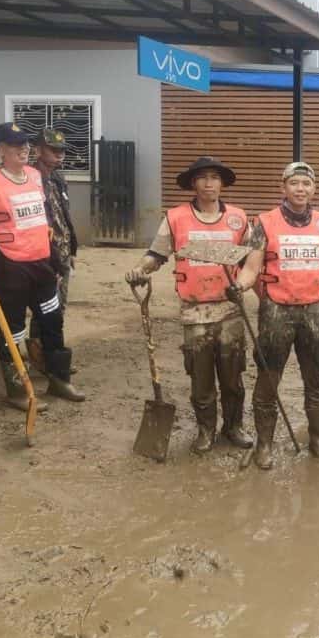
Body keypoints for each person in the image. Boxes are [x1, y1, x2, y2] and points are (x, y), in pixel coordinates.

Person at [125, 157, 253, 454]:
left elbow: (251, 261)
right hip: (194, 311)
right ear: (193, 184)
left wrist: (246, 285)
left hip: (230, 311)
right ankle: (205, 430)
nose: (209, 183)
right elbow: (155, 255)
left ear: (222, 183)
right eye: (203, 178)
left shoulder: (238, 218)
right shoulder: (176, 218)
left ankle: (233, 427)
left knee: (233, 376)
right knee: (201, 376)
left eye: (215, 177)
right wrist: (139, 270)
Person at [231, 162, 319, 470]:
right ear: (284, 187)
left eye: (306, 184)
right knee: (269, 379)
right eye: (294, 183)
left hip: (314, 311)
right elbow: (252, 267)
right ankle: (265, 444)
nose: (300, 189)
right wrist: (239, 286)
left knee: (316, 378)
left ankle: (318, 438)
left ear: (313, 189)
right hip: (276, 311)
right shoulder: (265, 222)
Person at [0, 121, 84, 412]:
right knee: (13, 327)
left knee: (52, 320)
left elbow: (42, 219)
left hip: (41, 262)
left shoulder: (33, 176)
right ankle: (17, 389)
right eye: (15, 146)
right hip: (9, 265)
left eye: (25, 145)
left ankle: (59, 378)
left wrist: (55, 257)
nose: (23, 150)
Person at [27, 128, 78, 374]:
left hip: (63, 252)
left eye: (61, 150)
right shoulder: (28, 179)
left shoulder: (58, 178)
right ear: (37, 150)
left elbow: (63, 217)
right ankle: (41, 359)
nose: (59, 155)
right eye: (53, 150)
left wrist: (72, 248)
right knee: (44, 307)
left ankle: (54, 355)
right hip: (43, 255)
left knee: (60, 307)